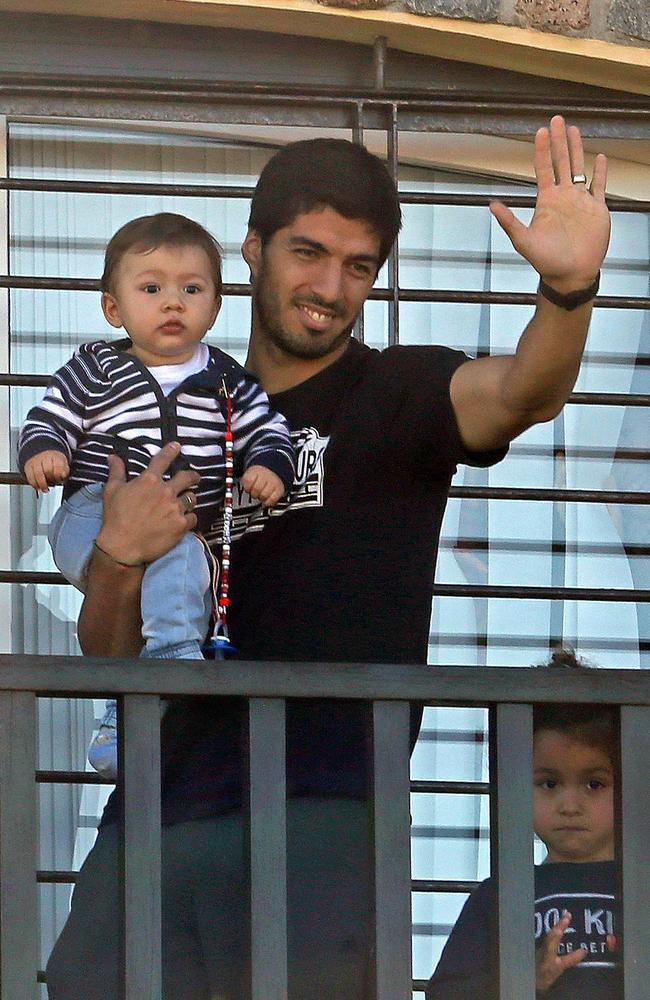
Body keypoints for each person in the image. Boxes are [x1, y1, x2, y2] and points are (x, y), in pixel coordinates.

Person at [45, 117, 611, 999]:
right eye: (308, 253)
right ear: (254, 247)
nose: (329, 288)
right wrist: (117, 556)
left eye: (358, 267)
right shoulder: (173, 413)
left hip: (326, 809)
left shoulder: (400, 391)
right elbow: (111, 657)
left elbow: (520, 392)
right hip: (159, 806)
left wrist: (569, 292)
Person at [18, 212, 295, 778]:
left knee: (181, 558)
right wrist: (45, 450)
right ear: (114, 309)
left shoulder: (228, 380)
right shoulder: (96, 368)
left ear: (215, 307)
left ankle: (123, 716)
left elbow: (269, 429)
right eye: (151, 289)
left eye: (191, 289)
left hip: (180, 528)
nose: (173, 303)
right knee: (172, 558)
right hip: (91, 511)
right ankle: (172, 669)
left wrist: (268, 464)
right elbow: (49, 417)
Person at [425, 648, 620, 1000]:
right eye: (549, 783)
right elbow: (447, 993)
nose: (569, 805)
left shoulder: (643, 890)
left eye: (594, 783)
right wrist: (524, 981)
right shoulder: (496, 897)